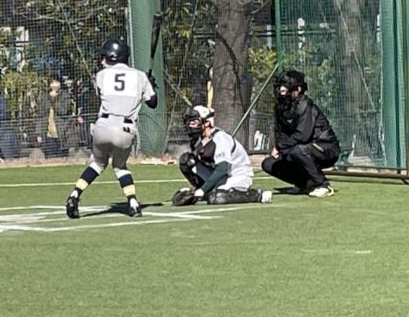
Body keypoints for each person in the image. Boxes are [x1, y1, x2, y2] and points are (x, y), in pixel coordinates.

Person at [65, 38, 158, 219]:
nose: (102, 61)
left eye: (104, 57)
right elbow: (153, 103)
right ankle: (133, 203)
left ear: (113, 57)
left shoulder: (101, 75)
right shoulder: (140, 76)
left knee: (97, 163)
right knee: (120, 167)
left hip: (103, 126)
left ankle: (75, 194)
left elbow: (103, 94)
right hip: (125, 129)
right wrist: (150, 85)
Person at [261, 69, 340, 197]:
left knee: (298, 150)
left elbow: (303, 136)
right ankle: (305, 184)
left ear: (298, 89)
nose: (282, 90)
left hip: (325, 148)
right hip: (298, 148)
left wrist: (282, 147)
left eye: (286, 86)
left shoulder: (306, 106)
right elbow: (280, 134)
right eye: (280, 86)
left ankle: (323, 185)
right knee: (269, 164)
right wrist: (279, 149)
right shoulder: (280, 108)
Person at [175, 105, 272, 205]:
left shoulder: (220, 138)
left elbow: (222, 168)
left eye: (194, 122)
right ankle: (201, 190)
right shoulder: (198, 139)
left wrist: (203, 190)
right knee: (187, 161)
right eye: (189, 123)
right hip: (221, 176)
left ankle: (257, 195)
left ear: (207, 123)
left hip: (237, 176)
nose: (190, 126)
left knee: (217, 198)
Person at [35, 77, 78, 159]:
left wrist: (54, 101)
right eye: (53, 83)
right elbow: (41, 116)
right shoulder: (44, 97)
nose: (55, 85)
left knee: (63, 157)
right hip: (48, 134)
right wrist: (39, 133)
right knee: (50, 157)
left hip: (63, 133)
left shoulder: (65, 96)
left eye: (57, 83)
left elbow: (63, 111)